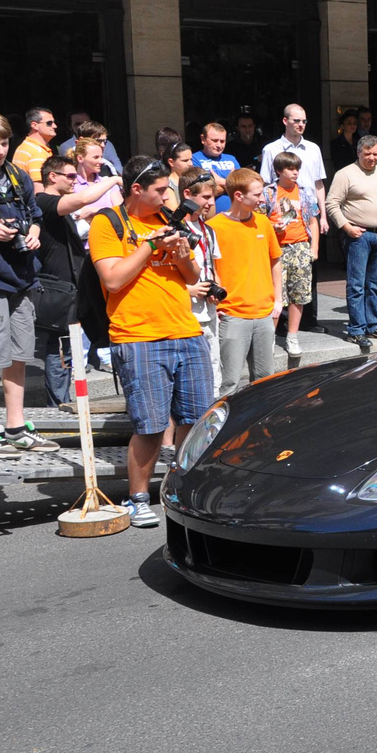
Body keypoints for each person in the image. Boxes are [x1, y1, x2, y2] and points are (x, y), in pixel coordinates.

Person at [89, 156, 214, 525]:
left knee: (196, 419)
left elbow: (191, 273)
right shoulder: (108, 222)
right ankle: (138, 498)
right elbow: (113, 279)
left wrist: (178, 253)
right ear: (137, 189)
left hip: (186, 331)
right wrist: (149, 246)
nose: (166, 198)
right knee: (151, 426)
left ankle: (182, 487)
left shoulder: (167, 220)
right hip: (138, 335)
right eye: (160, 191)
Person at [0, 109, 56, 457]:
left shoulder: (16, 175)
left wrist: (33, 234)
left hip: (21, 275)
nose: (0, 150)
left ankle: (16, 426)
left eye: (4, 143)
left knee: (19, 352)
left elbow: (34, 214)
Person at [33, 155, 120, 405]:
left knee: (68, 351)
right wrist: (113, 179)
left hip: (72, 289)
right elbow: (82, 198)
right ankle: (59, 405)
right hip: (56, 290)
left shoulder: (59, 207)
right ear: (52, 177)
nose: (75, 180)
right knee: (59, 351)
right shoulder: (44, 201)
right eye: (70, 176)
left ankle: (66, 401)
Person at [209, 168, 282, 395]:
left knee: (265, 381)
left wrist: (278, 301)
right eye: (257, 194)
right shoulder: (214, 227)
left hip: (263, 313)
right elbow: (211, 269)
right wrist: (216, 306)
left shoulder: (263, 222)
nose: (263, 199)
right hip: (232, 314)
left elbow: (275, 261)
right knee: (229, 383)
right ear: (238, 196)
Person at [326, 135, 377, 351]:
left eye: (376, 154)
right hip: (357, 236)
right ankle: (357, 329)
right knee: (356, 285)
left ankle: (373, 325)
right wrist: (347, 227)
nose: (372, 158)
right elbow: (332, 203)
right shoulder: (345, 174)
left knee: (375, 285)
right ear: (358, 153)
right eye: (367, 154)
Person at [261, 152, 320, 355]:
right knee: (276, 295)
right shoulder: (268, 193)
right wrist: (272, 227)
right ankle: (269, 337)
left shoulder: (304, 192)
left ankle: (292, 336)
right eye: (290, 169)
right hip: (276, 249)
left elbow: (313, 219)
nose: (295, 172)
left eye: (297, 168)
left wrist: (314, 248)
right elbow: (258, 221)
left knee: (299, 293)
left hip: (300, 246)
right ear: (279, 171)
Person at [179, 172, 224, 392]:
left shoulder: (209, 230)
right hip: (186, 315)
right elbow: (162, 276)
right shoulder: (176, 229)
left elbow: (213, 268)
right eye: (206, 197)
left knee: (214, 366)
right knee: (192, 373)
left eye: (213, 197)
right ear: (187, 194)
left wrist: (217, 289)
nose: (211, 203)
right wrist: (189, 290)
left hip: (209, 311)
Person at [258, 104, 329, 233]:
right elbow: (265, 184)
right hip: (282, 209)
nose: (301, 124)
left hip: (310, 210)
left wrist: (323, 216)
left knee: (312, 251)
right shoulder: (270, 150)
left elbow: (318, 184)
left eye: (304, 121)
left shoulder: (313, 149)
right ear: (285, 121)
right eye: (296, 121)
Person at [192, 122, 239, 209]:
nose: (219, 145)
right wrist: (231, 184)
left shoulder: (231, 159)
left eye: (222, 141)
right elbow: (201, 192)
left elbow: (243, 187)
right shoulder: (194, 159)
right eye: (214, 140)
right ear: (203, 139)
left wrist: (220, 181)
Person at [58, 113, 123, 174]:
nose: (102, 145)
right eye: (97, 141)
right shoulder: (66, 148)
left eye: (86, 123)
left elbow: (118, 168)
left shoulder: (107, 164)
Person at [14, 107, 58, 186]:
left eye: (54, 122)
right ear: (34, 125)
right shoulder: (37, 152)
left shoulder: (26, 145)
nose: (55, 126)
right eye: (49, 123)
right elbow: (39, 190)